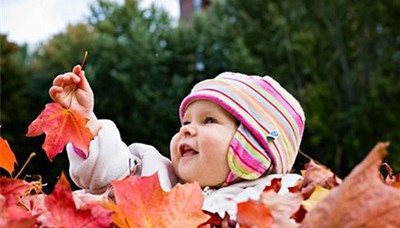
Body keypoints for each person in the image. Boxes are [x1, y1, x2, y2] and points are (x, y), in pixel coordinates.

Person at [50, 65, 305, 217]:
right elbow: (114, 175)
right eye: (185, 123)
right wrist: (86, 123)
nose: (187, 130)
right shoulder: (161, 178)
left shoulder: (282, 192)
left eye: (208, 121)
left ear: (251, 146)